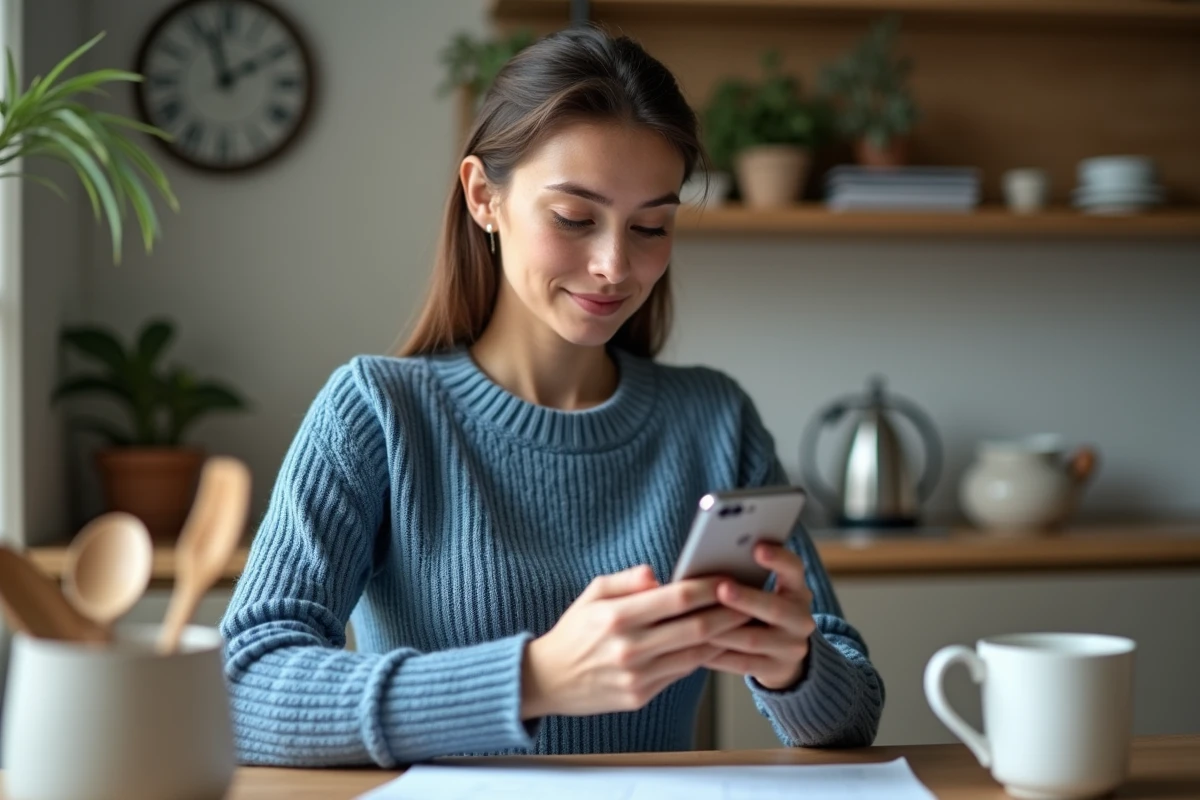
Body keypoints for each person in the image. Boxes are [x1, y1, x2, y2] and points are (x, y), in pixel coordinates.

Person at [219, 25, 884, 768]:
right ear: (483, 198)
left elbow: (853, 710)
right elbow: (242, 686)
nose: (614, 265)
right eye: (574, 218)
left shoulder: (714, 421)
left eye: (651, 226)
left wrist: (792, 666)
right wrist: (535, 680)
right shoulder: (376, 412)